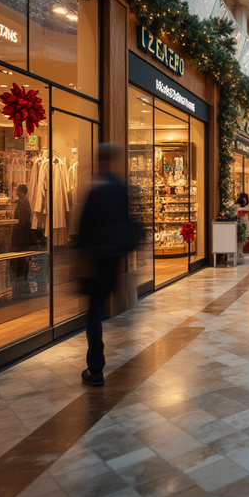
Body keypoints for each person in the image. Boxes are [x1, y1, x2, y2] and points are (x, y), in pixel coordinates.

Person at [78, 144, 141, 387]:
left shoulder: (96, 188)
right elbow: (128, 220)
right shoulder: (121, 187)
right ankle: (97, 365)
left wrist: (79, 256)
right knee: (99, 309)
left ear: (99, 160)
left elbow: (85, 227)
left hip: (95, 259)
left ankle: (95, 369)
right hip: (114, 258)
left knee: (93, 312)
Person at [12, 183, 32, 282]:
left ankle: (21, 274)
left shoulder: (23, 203)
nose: (17, 192)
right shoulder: (22, 202)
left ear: (22, 192)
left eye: (18, 190)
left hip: (21, 234)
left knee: (21, 254)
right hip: (22, 233)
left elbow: (23, 219)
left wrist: (17, 228)